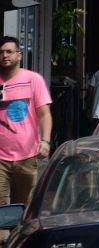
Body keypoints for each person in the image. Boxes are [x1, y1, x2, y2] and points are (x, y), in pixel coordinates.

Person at [0, 36, 52, 209]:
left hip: (27, 156)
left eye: (9, 51)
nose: (5, 55)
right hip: (0, 158)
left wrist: (45, 140)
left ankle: (16, 236)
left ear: (19, 55)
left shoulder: (33, 79)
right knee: (1, 209)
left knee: (22, 208)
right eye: (1, 52)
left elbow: (44, 114)